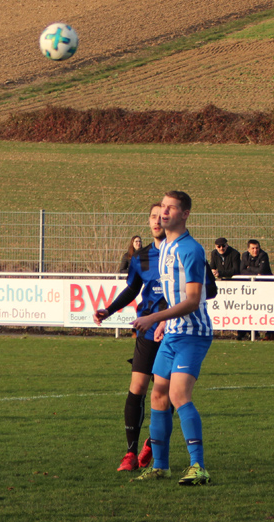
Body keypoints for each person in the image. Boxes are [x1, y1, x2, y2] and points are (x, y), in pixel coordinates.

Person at [131, 190, 212, 486]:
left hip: (193, 333)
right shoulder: (165, 247)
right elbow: (171, 293)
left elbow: (192, 300)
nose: (163, 213)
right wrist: (166, 320)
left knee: (178, 395)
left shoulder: (190, 249)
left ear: (185, 214)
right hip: (173, 331)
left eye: (171, 208)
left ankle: (198, 466)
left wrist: (155, 318)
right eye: (162, 207)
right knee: (158, 394)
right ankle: (160, 466)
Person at [94, 202, 166, 472]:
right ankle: (130, 453)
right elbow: (133, 289)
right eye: (152, 217)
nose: (157, 221)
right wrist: (109, 310)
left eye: (161, 216)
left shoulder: (181, 252)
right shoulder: (141, 257)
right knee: (137, 389)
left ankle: (153, 441)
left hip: (173, 331)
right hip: (147, 329)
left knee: (166, 393)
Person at [237, 239, 272, 340]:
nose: (255, 250)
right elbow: (242, 271)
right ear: (248, 249)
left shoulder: (263, 255)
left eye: (257, 248)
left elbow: (262, 270)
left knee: (264, 310)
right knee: (248, 310)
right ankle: (250, 333)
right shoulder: (244, 256)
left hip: (264, 287)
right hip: (250, 288)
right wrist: (254, 271)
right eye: (252, 248)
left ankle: (268, 333)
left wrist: (249, 268)